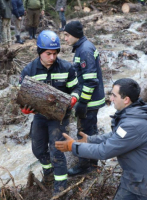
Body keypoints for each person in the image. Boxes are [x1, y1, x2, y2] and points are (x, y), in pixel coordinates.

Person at [55, 78, 147, 200]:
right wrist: (90, 140)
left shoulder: (133, 124)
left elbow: (104, 151)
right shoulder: (130, 114)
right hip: (133, 179)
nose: (111, 99)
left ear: (126, 99)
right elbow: (116, 135)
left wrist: (73, 146)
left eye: (114, 95)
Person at [18, 30, 80, 195]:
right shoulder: (29, 70)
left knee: (56, 151)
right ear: (40, 52)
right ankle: (49, 172)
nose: (52, 57)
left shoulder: (67, 68)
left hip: (60, 116)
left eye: (55, 53)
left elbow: (76, 87)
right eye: (48, 54)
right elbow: (21, 95)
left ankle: (61, 188)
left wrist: (74, 98)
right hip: (40, 115)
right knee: (38, 149)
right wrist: (24, 108)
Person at [63, 20, 105, 176]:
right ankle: (93, 162)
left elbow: (91, 80)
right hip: (93, 99)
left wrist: (83, 102)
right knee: (91, 131)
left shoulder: (84, 50)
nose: (65, 39)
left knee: (84, 131)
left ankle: (84, 165)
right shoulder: (83, 47)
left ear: (74, 34)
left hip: (90, 101)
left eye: (67, 35)